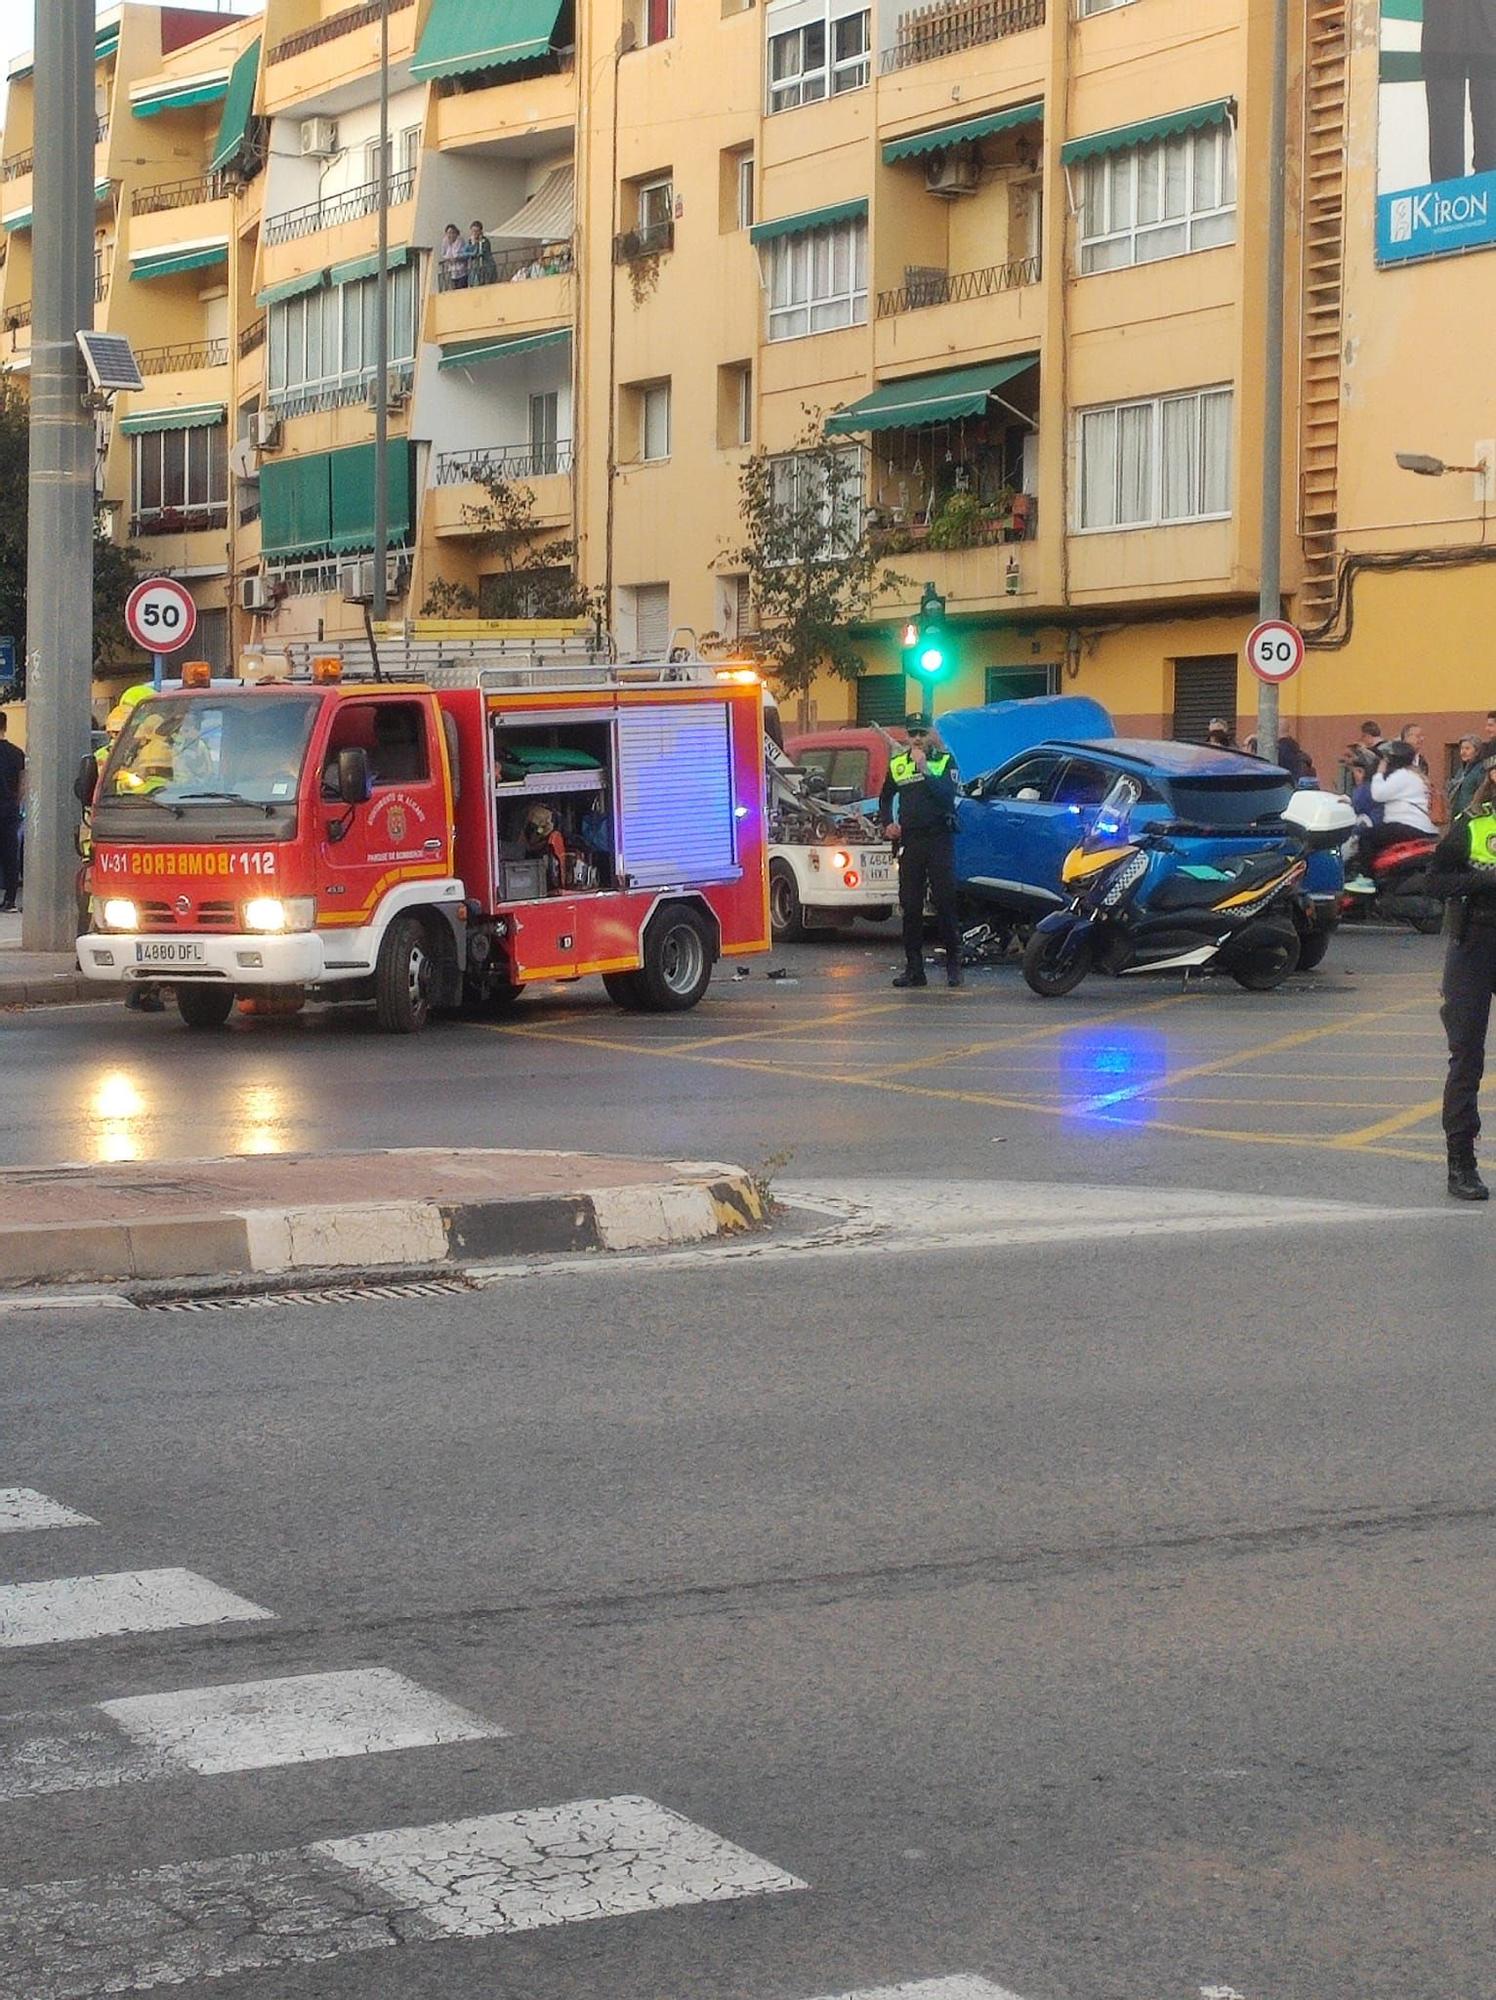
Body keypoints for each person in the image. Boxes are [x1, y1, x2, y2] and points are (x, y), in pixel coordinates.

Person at [1428, 741, 1496, 1199]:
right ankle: (1461, 1164)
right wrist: (1487, 880)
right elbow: (1436, 881)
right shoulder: (1471, 825)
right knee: (1467, 1056)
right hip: (1476, 941)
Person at [879, 714, 963, 989]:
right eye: (912, 733)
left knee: (944, 901)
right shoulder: (898, 765)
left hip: (939, 838)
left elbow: (946, 797)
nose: (916, 739)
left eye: (921, 733)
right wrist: (887, 823)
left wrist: (924, 768)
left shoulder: (943, 762)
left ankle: (953, 965)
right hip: (911, 841)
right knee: (910, 905)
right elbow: (886, 796)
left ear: (930, 735)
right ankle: (914, 969)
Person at [1348, 739, 1437, 887]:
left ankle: (1367, 878)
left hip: (1407, 825)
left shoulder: (1402, 776)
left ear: (1392, 759)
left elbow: (1377, 794)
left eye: (1384, 758)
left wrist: (1378, 774)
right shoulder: (1411, 775)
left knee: (1367, 837)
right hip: (1416, 826)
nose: (1382, 762)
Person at [0, 712, 24, 912]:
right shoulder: (17, 753)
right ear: (5, 727)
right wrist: (15, 802)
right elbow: (23, 784)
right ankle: (10, 900)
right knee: (10, 855)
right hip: (9, 809)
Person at [1449, 734, 1484, 817]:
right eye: (1461, 748)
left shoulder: (1481, 770)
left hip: (1472, 816)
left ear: (1477, 752)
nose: (1463, 752)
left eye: (1467, 748)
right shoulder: (1461, 770)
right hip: (1457, 815)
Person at [465, 221, 496, 288]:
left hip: (485, 267)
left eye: (477, 231)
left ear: (480, 231)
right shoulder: (470, 241)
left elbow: (481, 253)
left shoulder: (485, 241)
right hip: (474, 267)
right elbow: (468, 253)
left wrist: (476, 244)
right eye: (473, 231)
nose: (475, 233)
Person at [439, 222, 467, 291]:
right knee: (453, 290)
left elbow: (458, 253)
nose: (451, 235)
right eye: (448, 233)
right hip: (451, 271)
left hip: (461, 270)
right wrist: (449, 258)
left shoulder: (460, 240)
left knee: (461, 289)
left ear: (456, 233)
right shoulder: (445, 241)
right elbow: (443, 254)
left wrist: (454, 258)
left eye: (453, 233)